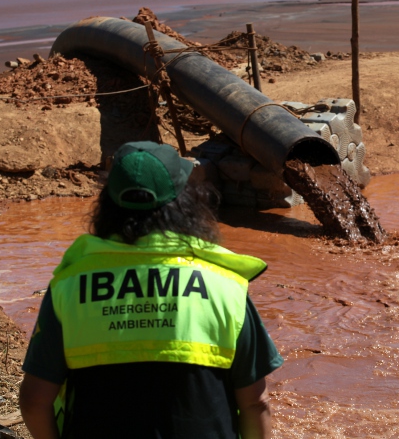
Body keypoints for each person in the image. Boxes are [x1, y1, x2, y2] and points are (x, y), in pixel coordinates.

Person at [19, 141, 283, 439]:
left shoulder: (69, 287)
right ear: (185, 202)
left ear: (107, 204)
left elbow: (33, 401)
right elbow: (256, 403)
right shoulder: (225, 287)